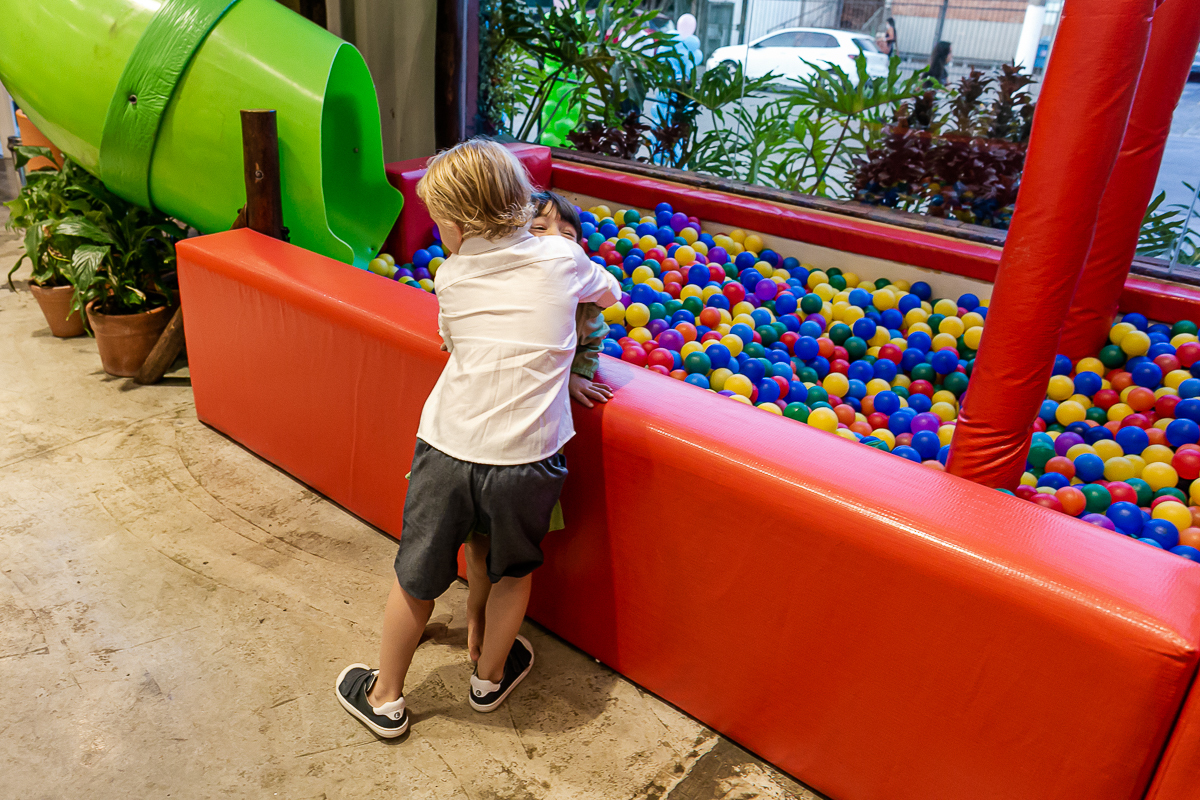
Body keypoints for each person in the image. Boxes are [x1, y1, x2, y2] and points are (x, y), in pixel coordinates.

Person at [335, 139, 621, 738]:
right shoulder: (561, 259)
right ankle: (489, 679)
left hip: (446, 450)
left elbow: (457, 342)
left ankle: (385, 695)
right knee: (513, 573)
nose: (440, 236)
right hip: (529, 459)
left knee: (416, 579)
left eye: (440, 224)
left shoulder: (452, 276)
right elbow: (608, 294)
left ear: (460, 226)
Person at [529, 190, 613, 409]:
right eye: (539, 228)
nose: (554, 238)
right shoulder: (503, 277)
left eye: (567, 234)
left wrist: (579, 373)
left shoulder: (583, 300)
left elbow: (591, 341)